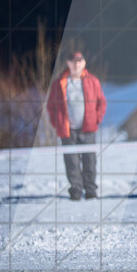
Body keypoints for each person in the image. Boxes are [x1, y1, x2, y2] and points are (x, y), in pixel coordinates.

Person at [46, 51, 107, 201]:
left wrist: (96, 119)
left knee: (90, 161)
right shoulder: (59, 83)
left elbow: (101, 102)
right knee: (71, 162)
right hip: (68, 131)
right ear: (68, 63)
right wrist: (58, 124)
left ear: (84, 63)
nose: (76, 64)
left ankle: (91, 191)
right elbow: (51, 107)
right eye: (73, 61)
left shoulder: (92, 81)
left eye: (79, 61)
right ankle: (76, 191)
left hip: (88, 129)